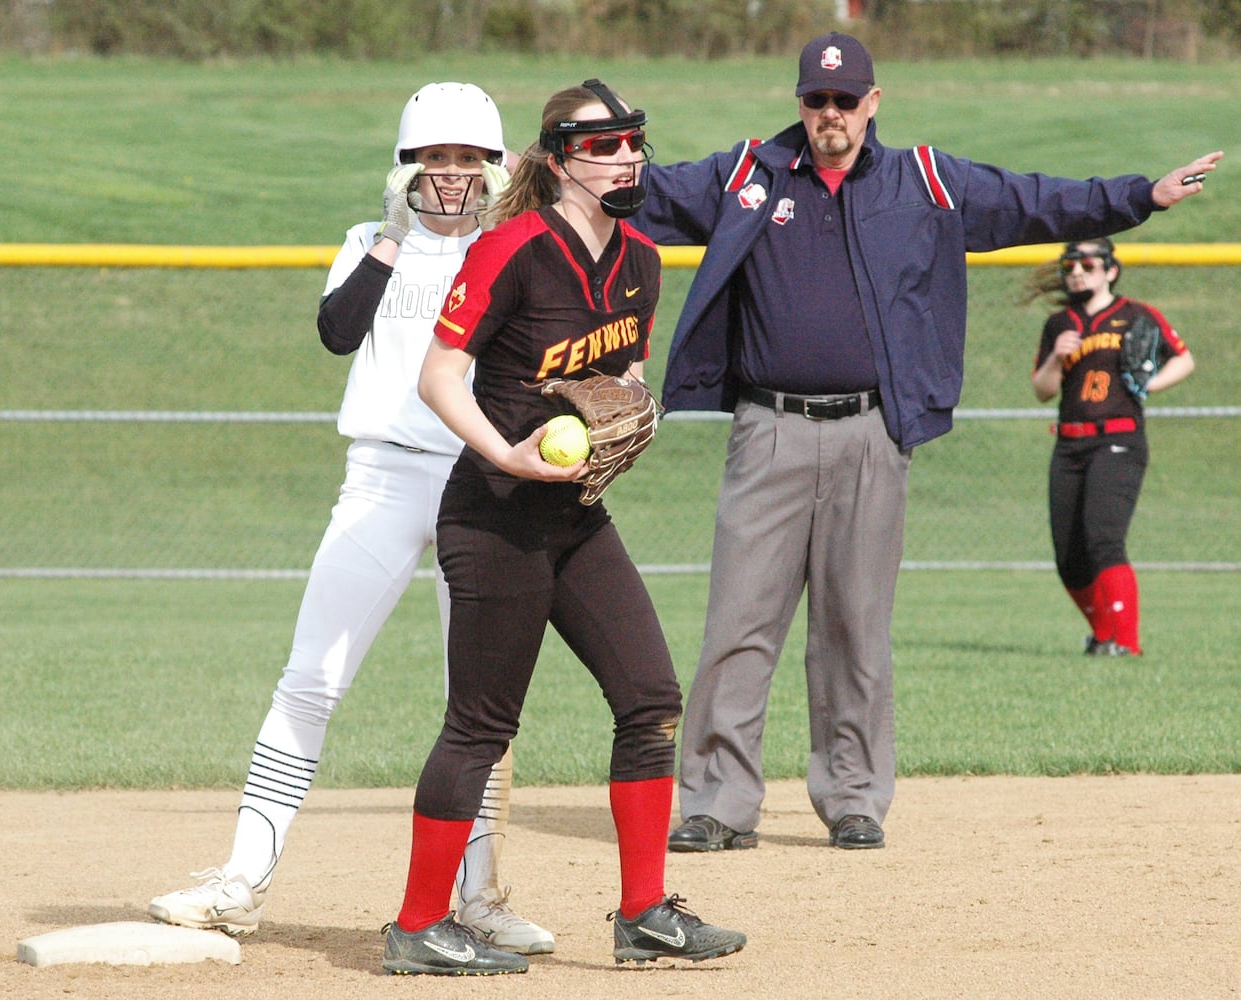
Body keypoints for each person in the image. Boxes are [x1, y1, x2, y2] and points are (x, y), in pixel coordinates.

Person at [630, 30, 1221, 853]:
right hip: (767, 429)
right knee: (737, 623)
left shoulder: (928, 181)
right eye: (815, 99)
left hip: (873, 432)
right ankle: (717, 803)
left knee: (855, 625)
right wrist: (558, 160)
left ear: (873, 102)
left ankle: (853, 798)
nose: (829, 113)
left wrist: (1139, 197)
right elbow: (638, 192)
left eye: (844, 99)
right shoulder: (747, 176)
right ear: (797, 102)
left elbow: (1036, 201)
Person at [148, 82, 554, 955]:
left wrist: (527, 193)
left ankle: (477, 897)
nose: (450, 174)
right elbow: (337, 333)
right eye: (432, 158)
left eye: (468, 159)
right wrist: (392, 246)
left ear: (494, 168)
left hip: (482, 489)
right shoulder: (369, 245)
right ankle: (240, 881)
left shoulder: (518, 251)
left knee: (477, 702)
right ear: (405, 169)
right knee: (310, 678)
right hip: (381, 481)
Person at [378, 79, 747, 976]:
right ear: (555, 158)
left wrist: (631, 411)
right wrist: (506, 455)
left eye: (633, 142)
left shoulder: (642, 261)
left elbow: (619, 375)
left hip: (575, 516)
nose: (625, 157)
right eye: (603, 144)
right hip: (494, 513)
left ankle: (644, 912)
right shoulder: (511, 249)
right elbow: (438, 378)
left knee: (651, 698)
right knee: (480, 726)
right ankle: (418, 925)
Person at [1027, 238, 1194, 656]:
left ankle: (1128, 646)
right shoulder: (1059, 324)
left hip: (1118, 439)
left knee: (1103, 539)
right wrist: (1055, 359)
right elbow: (1042, 391)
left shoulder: (1136, 315)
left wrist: (1150, 383)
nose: (1077, 271)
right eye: (1070, 265)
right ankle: (1103, 638)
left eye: (1087, 263)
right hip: (1069, 445)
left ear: (1110, 270)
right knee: (1068, 556)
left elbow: (1183, 359)